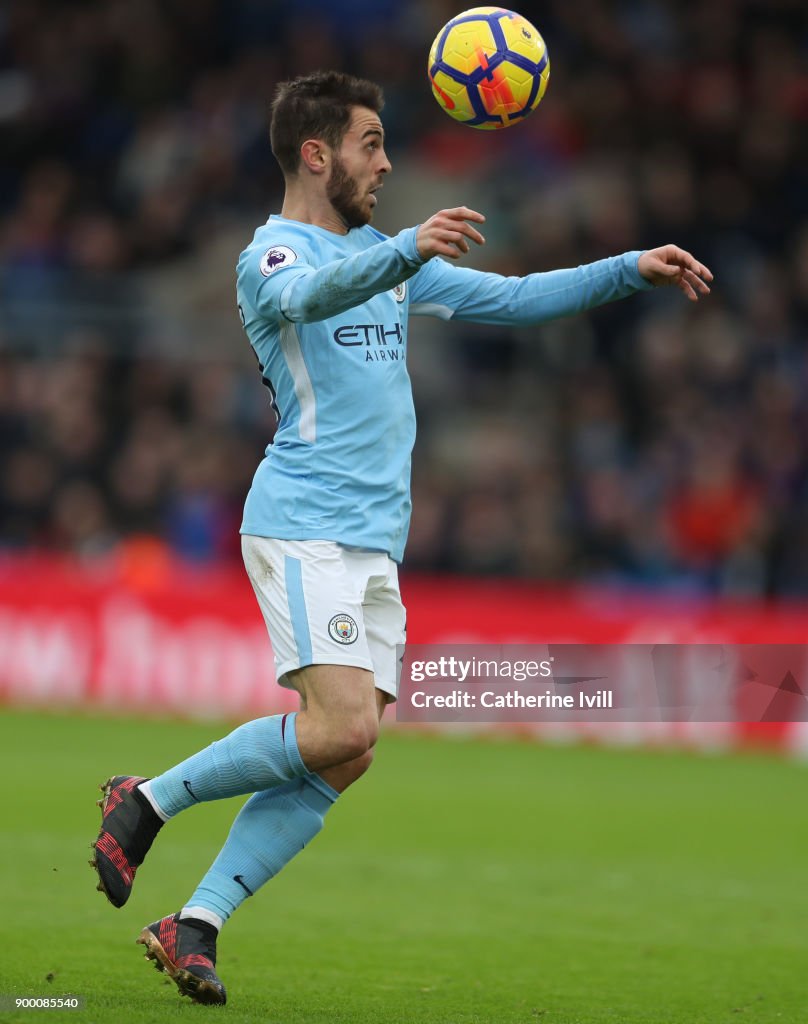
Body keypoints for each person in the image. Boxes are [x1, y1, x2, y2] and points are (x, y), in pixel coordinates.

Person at [90, 70, 712, 1006]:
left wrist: (630, 268)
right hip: (303, 524)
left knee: (349, 749)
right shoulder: (269, 258)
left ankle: (198, 921)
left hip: (375, 544)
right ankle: (147, 801)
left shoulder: (388, 256)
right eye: (370, 143)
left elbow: (515, 298)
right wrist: (409, 252)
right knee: (337, 724)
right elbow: (312, 298)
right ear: (317, 153)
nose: (386, 163)